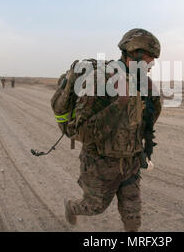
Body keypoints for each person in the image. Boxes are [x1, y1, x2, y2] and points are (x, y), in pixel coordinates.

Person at [64, 28, 162, 232]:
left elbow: (144, 125)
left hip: (131, 162)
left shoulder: (143, 83)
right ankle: (71, 207)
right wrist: (118, 104)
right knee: (94, 207)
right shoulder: (101, 80)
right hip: (100, 163)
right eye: (148, 60)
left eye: (153, 61)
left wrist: (154, 100)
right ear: (132, 54)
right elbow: (80, 132)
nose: (151, 66)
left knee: (133, 216)